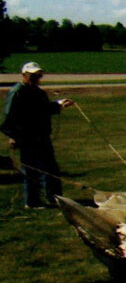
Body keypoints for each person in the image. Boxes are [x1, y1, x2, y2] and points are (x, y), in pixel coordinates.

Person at [1, 62, 75, 208]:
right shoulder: (17, 92)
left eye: (38, 75)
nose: (36, 78)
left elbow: (44, 109)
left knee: (51, 169)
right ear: (24, 75)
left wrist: (59, 104)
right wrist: (14, 136)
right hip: (26, 138)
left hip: (42, 136)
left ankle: (54, 198)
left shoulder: (38, 92)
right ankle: (32, 202)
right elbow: (9, 117)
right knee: (31, 170)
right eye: (33, 75)